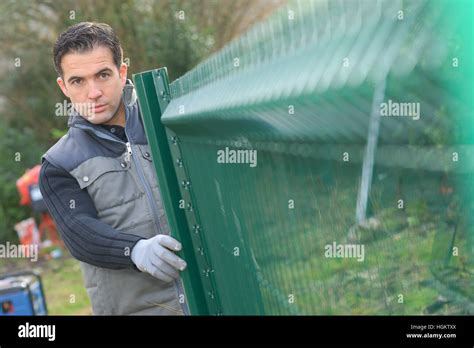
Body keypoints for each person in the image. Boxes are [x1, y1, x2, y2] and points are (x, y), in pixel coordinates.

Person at [39, 22, 188, 315]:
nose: (93, 92)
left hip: (209, 300)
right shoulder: (58, 164)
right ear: (64, 87)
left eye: (103, 75)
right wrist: (135, 250)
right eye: (78, 81)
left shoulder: (167, 123)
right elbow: (79, 231)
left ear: (122, 73)